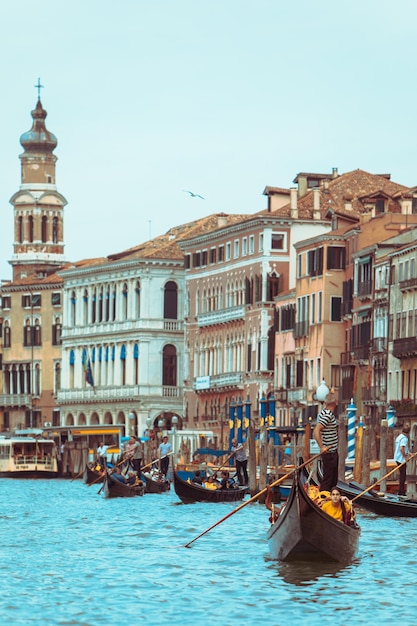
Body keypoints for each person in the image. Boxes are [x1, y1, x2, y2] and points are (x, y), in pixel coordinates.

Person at [313, 389, 339, 492]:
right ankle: (324, 500)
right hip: (329, 453)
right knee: (330, 480)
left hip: (331, 452)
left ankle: (329, 500)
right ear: (335, 403)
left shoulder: (323, 413)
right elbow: (316, 430)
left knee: (330, 480)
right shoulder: (328, 415)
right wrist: (322, 447)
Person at [394, 425, 410, 496]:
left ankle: (401, 491)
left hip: (397, 458)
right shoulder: (404, 438)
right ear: (408, 432)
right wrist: (405, 457)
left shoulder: (399, 437)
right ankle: (401, 492)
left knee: (402, 475)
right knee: (403, 476)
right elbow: (401, 448)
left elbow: (404, 449)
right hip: (401, 459)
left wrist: (409, 453)